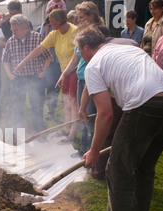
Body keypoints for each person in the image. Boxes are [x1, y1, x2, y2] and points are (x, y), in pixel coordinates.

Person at [75, 26, 163, 211]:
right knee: (144, 167)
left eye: (79, 50)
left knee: (118, 169)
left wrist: (94, 151)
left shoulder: (93, 65)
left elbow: (105, 114)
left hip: (146, 105)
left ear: (86, 47)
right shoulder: (126, 49)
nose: (80, 55)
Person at [16, 9, 78, 144]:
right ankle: (66, 128)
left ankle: (72, 134)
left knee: (73, 103)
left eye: (51, 21)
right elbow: (39, 49)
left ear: (58, 20)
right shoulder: (54, 33)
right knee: (66, 102)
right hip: (64, 72)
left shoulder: (74, 31)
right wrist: (23, 62)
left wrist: (66, 73)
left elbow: (77, 56)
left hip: (76, 71)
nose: (48, 23)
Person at [56, 1, 103, 160]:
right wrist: (64, 74)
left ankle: (92, 151)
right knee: (81, 114)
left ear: (92, 15)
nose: (79, 20)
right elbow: (75, 58)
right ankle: (83, 148)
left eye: (82, 17)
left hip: (94, 79)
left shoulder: (98, 33)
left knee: (89, 117)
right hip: (81, 78)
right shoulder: (81, 33)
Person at [3, 14, 52, 135]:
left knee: (37, 106)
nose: (13, 33)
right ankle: (17, 134)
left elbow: (48, 56)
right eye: (12, 30)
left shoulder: (37, 38)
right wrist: (10, 75)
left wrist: (43, 71)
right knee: (17, 107)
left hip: (35, 78)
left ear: (25, 28)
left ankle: (38, 133)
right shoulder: (10, 41)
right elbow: (5, 60)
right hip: (18, 79)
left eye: (16, 30)